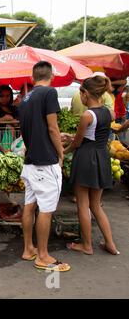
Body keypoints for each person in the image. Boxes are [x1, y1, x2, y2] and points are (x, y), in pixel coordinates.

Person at [18, 61, 70, 272]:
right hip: (45, 162)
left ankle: (28, 248)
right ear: (52, 76)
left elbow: (30, 129)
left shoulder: (25, 98)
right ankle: (43, 255)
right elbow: (52, 127)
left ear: (32, 77)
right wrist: (61, 152)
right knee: (46, 210)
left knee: (30, 205)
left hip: (30, 162)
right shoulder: (49, 93)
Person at [64, 76, 120, 255]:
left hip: (86, 158)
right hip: (102, 156)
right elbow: (94, 135)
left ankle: (86, 245)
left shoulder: (87, 115)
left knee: (82, 204)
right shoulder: (108, 113)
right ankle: (110, 243)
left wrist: (62, 151)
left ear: (85, 93)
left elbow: (78, 143)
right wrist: (73, 138)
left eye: (80, 93)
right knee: (96, 205)